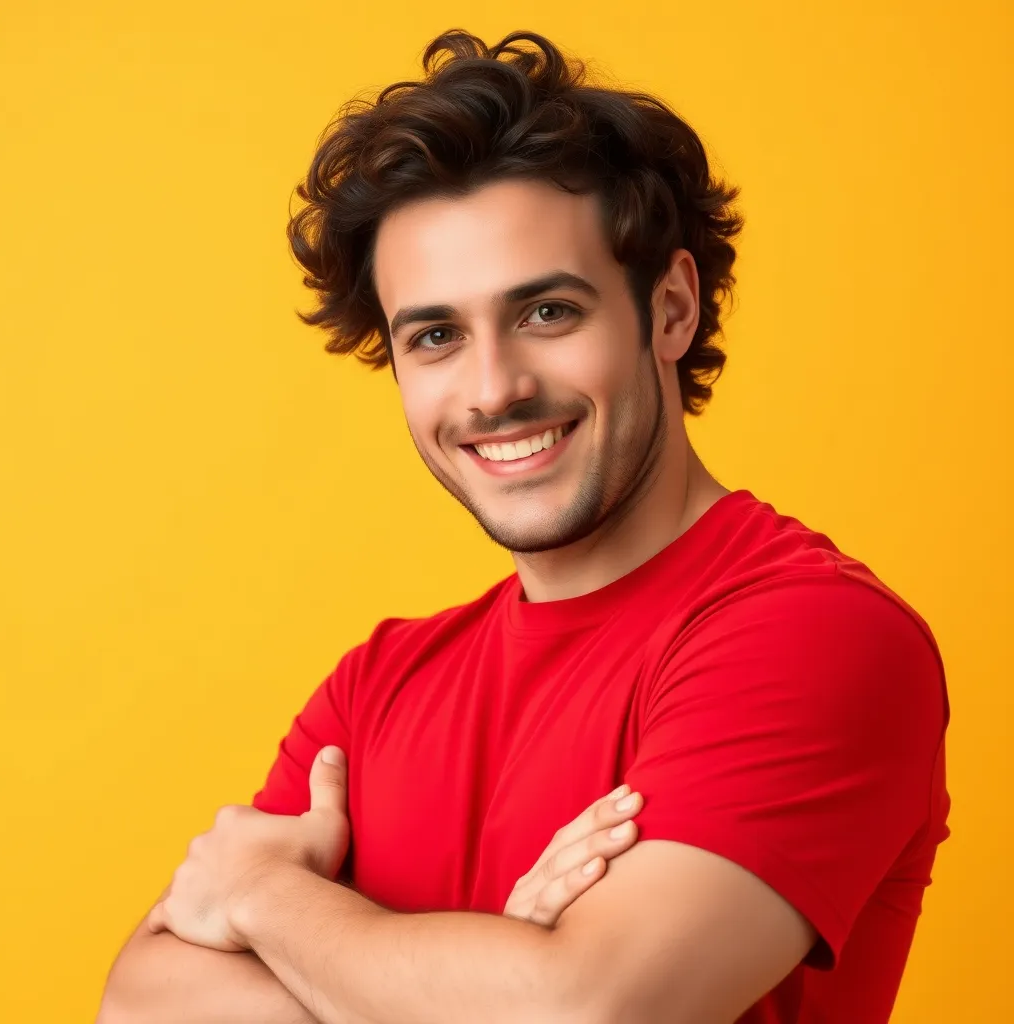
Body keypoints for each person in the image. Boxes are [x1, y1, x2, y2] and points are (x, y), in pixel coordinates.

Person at [97, 27, 950, 1024]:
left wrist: (267, 896)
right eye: (436, 335)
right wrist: (490, 973)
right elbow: (143, 1001)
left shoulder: (810, 635)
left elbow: (588, 1012)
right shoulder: (375, 688)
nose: (493, 387)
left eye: (546, 312)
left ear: (668, 309)